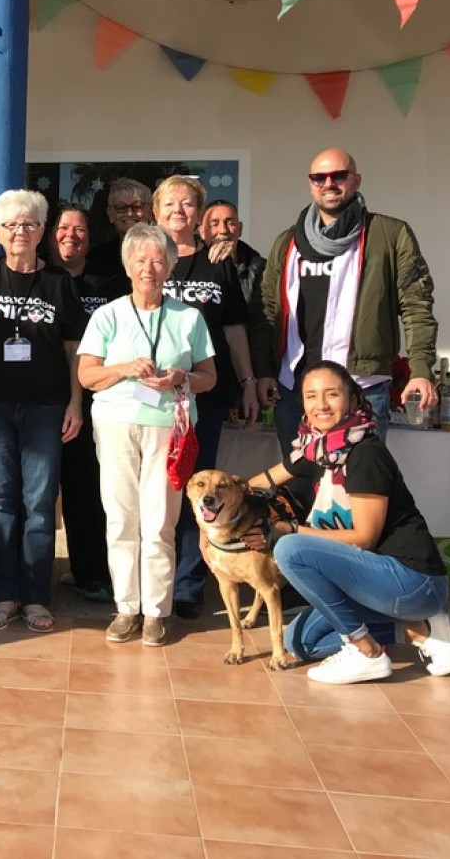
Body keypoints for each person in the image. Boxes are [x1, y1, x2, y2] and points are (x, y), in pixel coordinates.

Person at [242, 361, 450, 684]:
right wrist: (215, 519)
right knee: (298, 642)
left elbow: (365, 537)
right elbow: (260, 483)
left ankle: (365, 652)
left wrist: (292, 530)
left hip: (412, 580)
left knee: (290, 549)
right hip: (372, 581)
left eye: (332, 394)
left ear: (352, 399)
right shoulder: (315, 451)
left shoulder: (364, 453)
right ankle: (420, 629)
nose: (321, 405)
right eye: (311, 396)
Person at [77, 224, 216, 647]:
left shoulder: (189, 317)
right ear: (127, 265)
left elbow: (209, 378)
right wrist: (122, 369)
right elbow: (86, 375)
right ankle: (125, 608)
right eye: (140, 260)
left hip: (167, 428)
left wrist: (182, 377)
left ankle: (157, 610)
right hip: (117, 424)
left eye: (158, 260)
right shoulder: (108, 315)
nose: (149, 268)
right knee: (121, 517)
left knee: (160, 520)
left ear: (170, 266)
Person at [252, 148, 439, 460]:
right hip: (297, 389)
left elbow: (417, 305)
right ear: (310, 183)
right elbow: (267, 312)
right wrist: (263, 371)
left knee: (360, 486)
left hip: (361, 387)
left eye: (339, 175)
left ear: (356, 180)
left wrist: (420, 368)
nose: (329, 183)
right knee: (301, 487)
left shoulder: (389, 234)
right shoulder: (288, 242)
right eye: (319, 177)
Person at [0, 190, 87, 634]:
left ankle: (36, 597)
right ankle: (4, 595)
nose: (21, 231)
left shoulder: (59, 283)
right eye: (12, 225)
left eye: (30, 224)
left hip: (46, 405)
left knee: (39, 504)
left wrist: (76, 402)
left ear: (43, 231)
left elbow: (74, 348)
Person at [153, 175, 261, 621]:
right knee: (158, 495)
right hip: (154, 402)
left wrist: (249, 381)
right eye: (170, 203)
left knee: (201, 495)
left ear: (199, 214)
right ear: (156, 212)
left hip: (205, 398)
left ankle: (189, 585)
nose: (179, 210)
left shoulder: (219, 265)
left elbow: (235, 330)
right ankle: (153, 582)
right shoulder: (145, 259)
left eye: (187, 203)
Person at [48, 205, 125, 604]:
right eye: (63, 228)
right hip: (41, 398)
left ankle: (90, 572)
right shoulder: (39, 277)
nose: (71, 236)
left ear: (90, 239)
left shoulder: (110, 282)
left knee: (86, 492)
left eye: (79, 230)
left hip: (97, 401)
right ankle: (31, 576)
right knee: (38, 493)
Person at [202, 199, 265, 309]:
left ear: (240, 229)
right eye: (214, 224)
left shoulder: (259, 268)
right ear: (202, 232)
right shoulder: (194, 267)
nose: (223, 230)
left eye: (230, 223)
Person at [86, 176, 152, 277]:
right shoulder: (98, 257)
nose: (130, 213)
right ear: (111, 214)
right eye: (121, 207)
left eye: (137, 206)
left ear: (149, 211)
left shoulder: (163, 251)